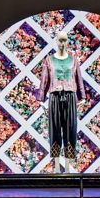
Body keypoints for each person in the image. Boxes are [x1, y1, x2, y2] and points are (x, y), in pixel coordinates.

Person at [37, 30, 85, 173]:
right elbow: (44, 80)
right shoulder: (49, 60)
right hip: (54, 97)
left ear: (67, 41)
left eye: (65, 40)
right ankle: (57, 166)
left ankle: (68, 168)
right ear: (56, 41)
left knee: (70, 129)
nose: (62, 43)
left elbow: (78, 78)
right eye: (60, 40)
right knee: (55, 129)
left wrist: (82, 96)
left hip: (70, 96)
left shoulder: (73, 60)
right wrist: (41, 98)